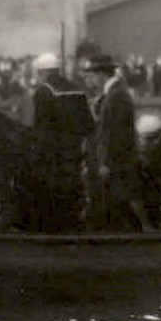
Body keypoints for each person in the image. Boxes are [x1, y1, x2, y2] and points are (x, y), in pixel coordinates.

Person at [84, 54, 150, 232]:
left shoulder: (117, 95)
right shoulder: (113, 94)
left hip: (119, 162)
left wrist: (106, 162)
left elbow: (115, 133)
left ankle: (142, 233)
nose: (90, 80)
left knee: (124, 200)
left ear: (101, 75)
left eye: (92, 75)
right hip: (118, 160)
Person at [30, 52, 93, 232]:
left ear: (42, 72)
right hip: (76, 147)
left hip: (54, 152)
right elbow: (88, 122)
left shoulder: (44, 91)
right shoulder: (77, 88)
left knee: (53, 190)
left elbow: (41, 127)